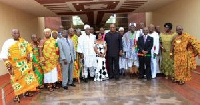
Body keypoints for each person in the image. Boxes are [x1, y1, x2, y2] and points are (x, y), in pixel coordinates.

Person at [0, 29, 38, 102]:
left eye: (17, 33)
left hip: (24, 65)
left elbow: (29, 50)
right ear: (12, 34)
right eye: (14, 33)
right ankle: (17, 95)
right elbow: (3, 55)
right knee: (15, 81)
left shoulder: (24, 42)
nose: (16, 34)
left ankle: (27, 92)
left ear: (19, 34)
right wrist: (8, 64)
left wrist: (30, 58)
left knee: (26, 80)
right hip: (14, 66)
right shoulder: (8, 43)